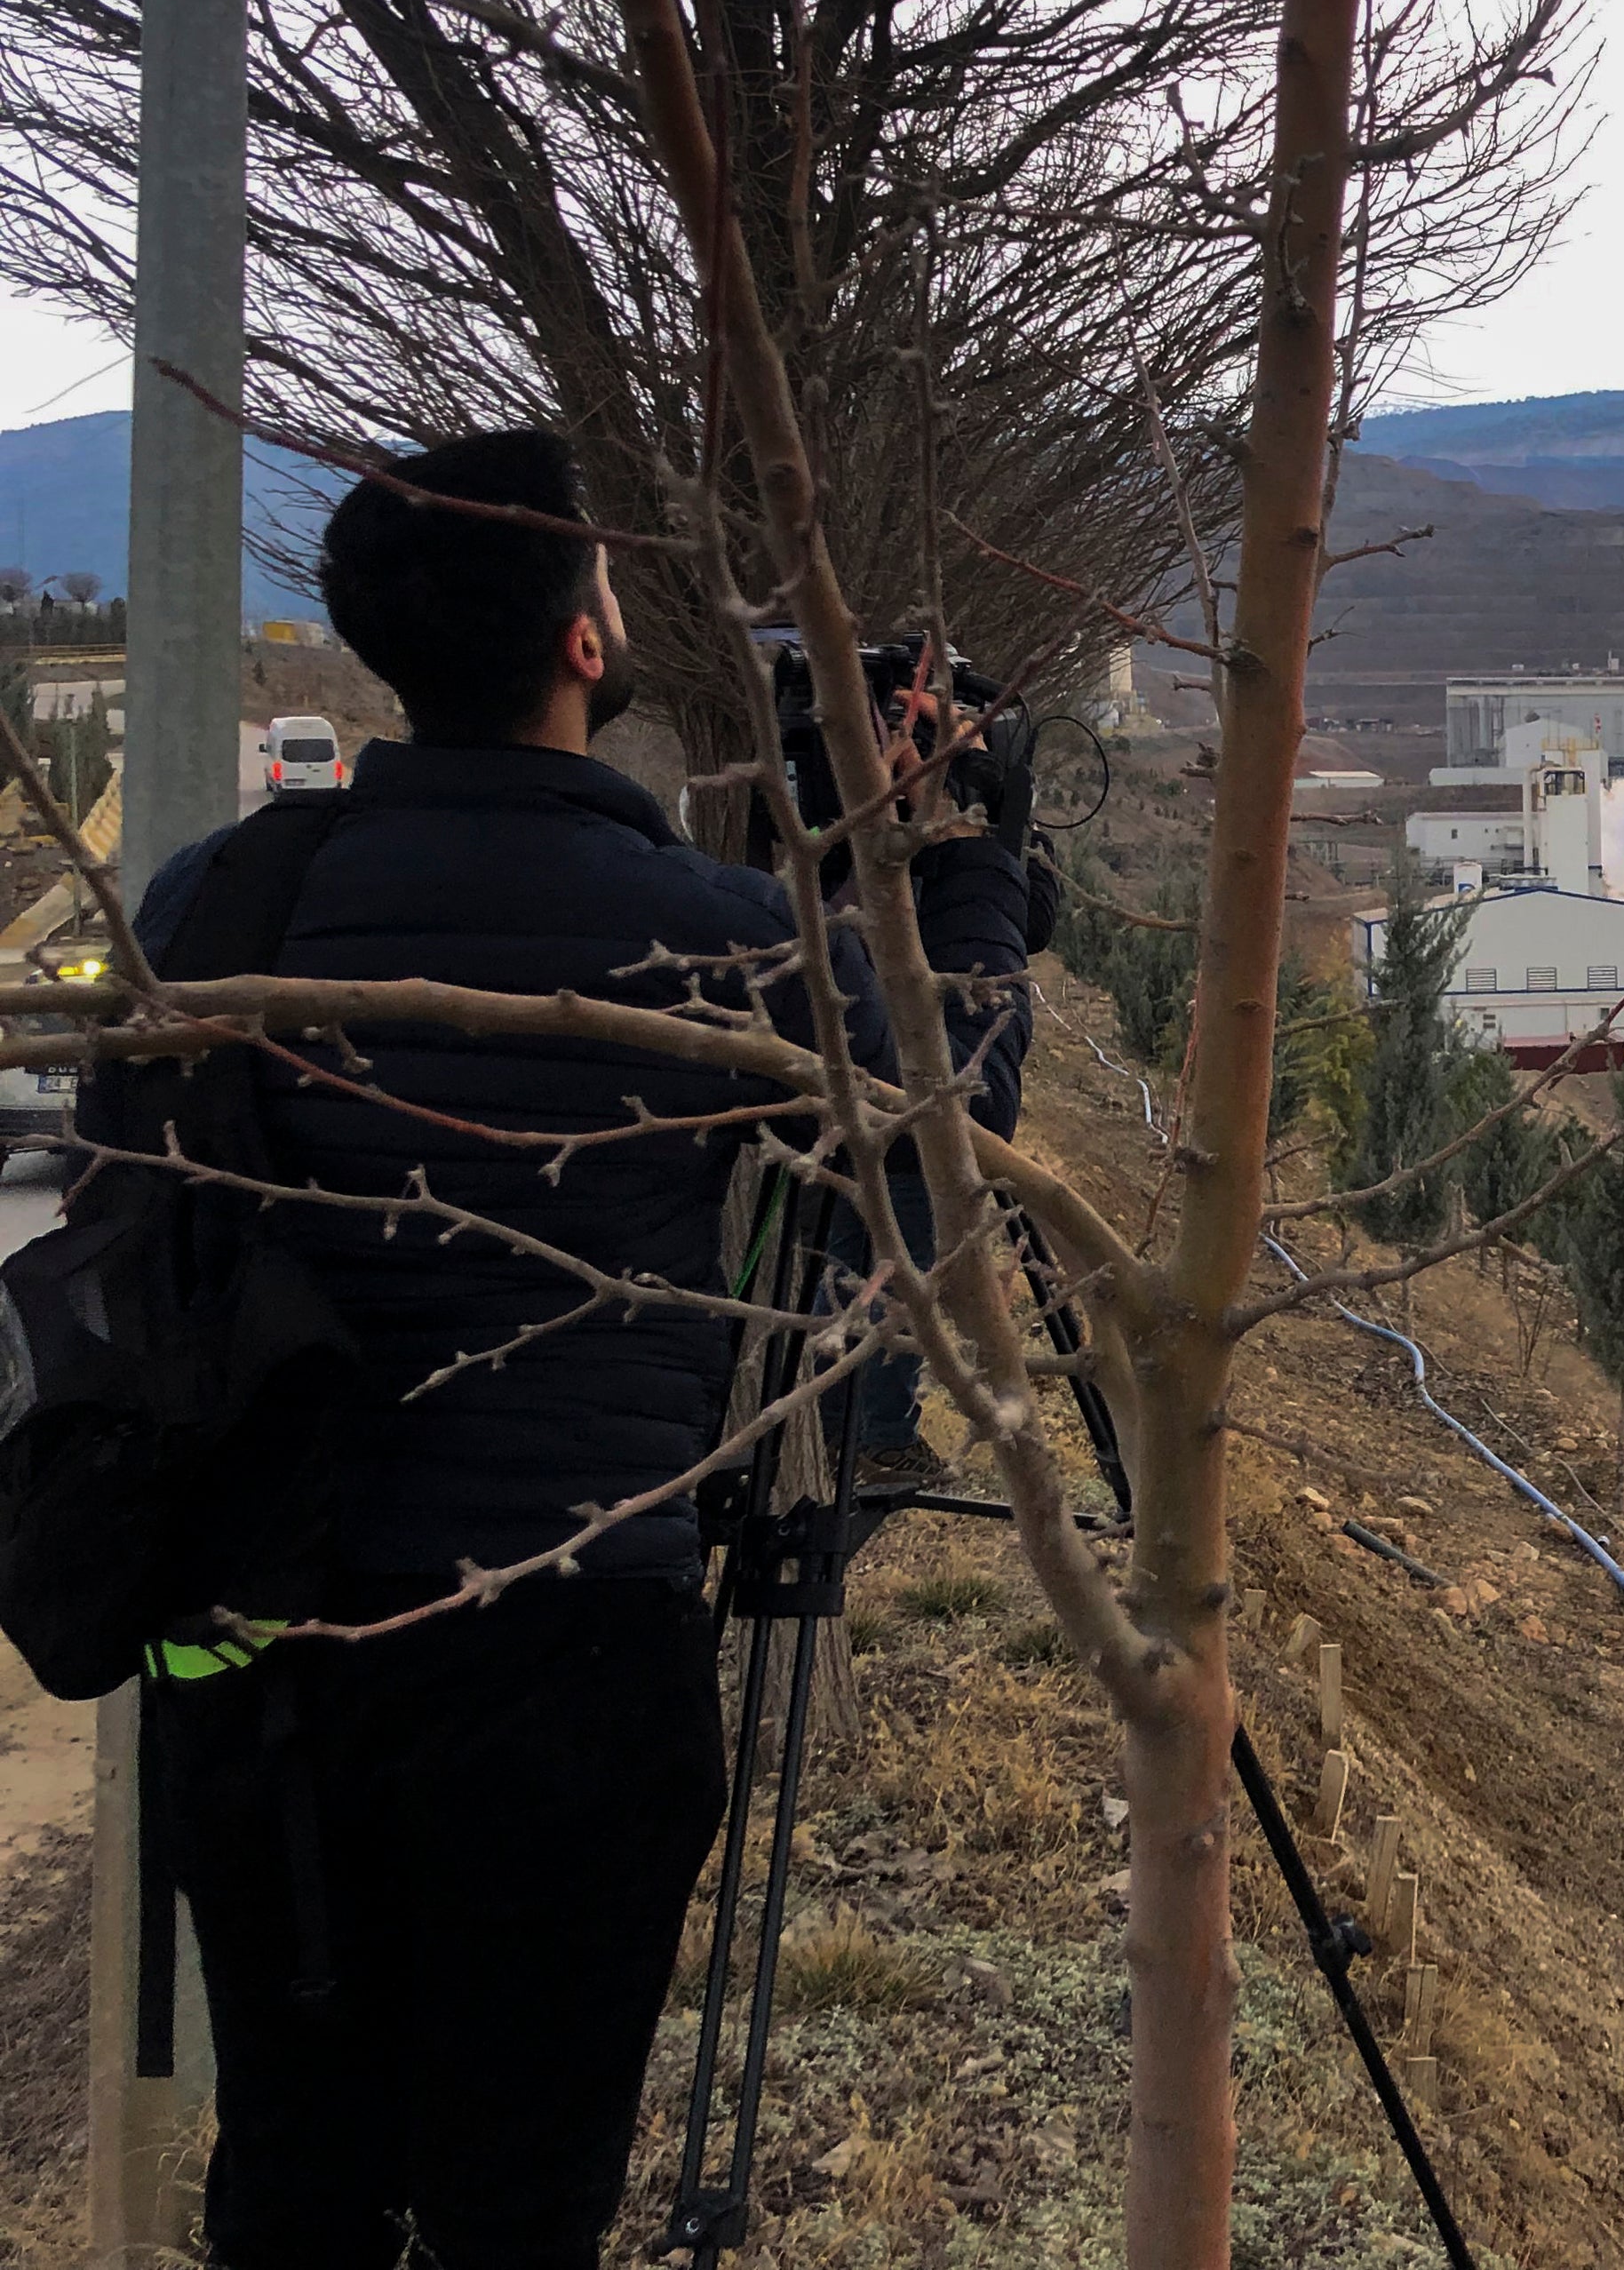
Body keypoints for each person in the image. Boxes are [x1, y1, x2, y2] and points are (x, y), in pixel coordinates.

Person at [134, 429, 1031, 2270]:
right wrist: (960, 872)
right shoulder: (715, 936)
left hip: (262, 1649)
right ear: (588, 647)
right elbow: (944, 1178)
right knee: (517, 2205)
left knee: (294, 2180)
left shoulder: (220, 903)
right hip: (567, 1648)